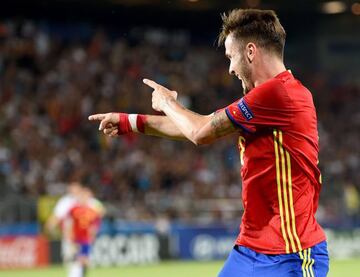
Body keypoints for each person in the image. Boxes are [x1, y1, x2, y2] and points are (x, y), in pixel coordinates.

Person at [89, 8, 329, 277]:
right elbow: (199, 124)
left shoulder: (278, 93)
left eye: (231, 58)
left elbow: (199, 132)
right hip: (251, 247)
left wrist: (168, 103)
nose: (230, 69)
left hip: (291, 253)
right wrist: (129, 121)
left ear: (250, 52)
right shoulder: (266, 99)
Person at [67, 185, 104, 277]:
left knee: (83, 259)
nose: (85, 198)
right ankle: (75, 274)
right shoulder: (74, 209)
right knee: (77, 258)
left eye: (87, 196)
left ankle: (79, 274)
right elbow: (68, 223)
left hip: (86, 239)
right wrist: (69, 235)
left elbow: (96, 224)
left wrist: (93, 234)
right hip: (75, 238)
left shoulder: (92, 211)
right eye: (83, 196)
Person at [46, 182, 83, 264]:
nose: (74, 191)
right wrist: (51, 225)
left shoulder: (85, 199)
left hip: (83, 233)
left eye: (76, 189)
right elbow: (57, 216)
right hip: (69, 233)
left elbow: (98, 209)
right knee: (70, 257)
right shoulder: (65, 201)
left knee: (82, 257)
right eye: (72, 189)